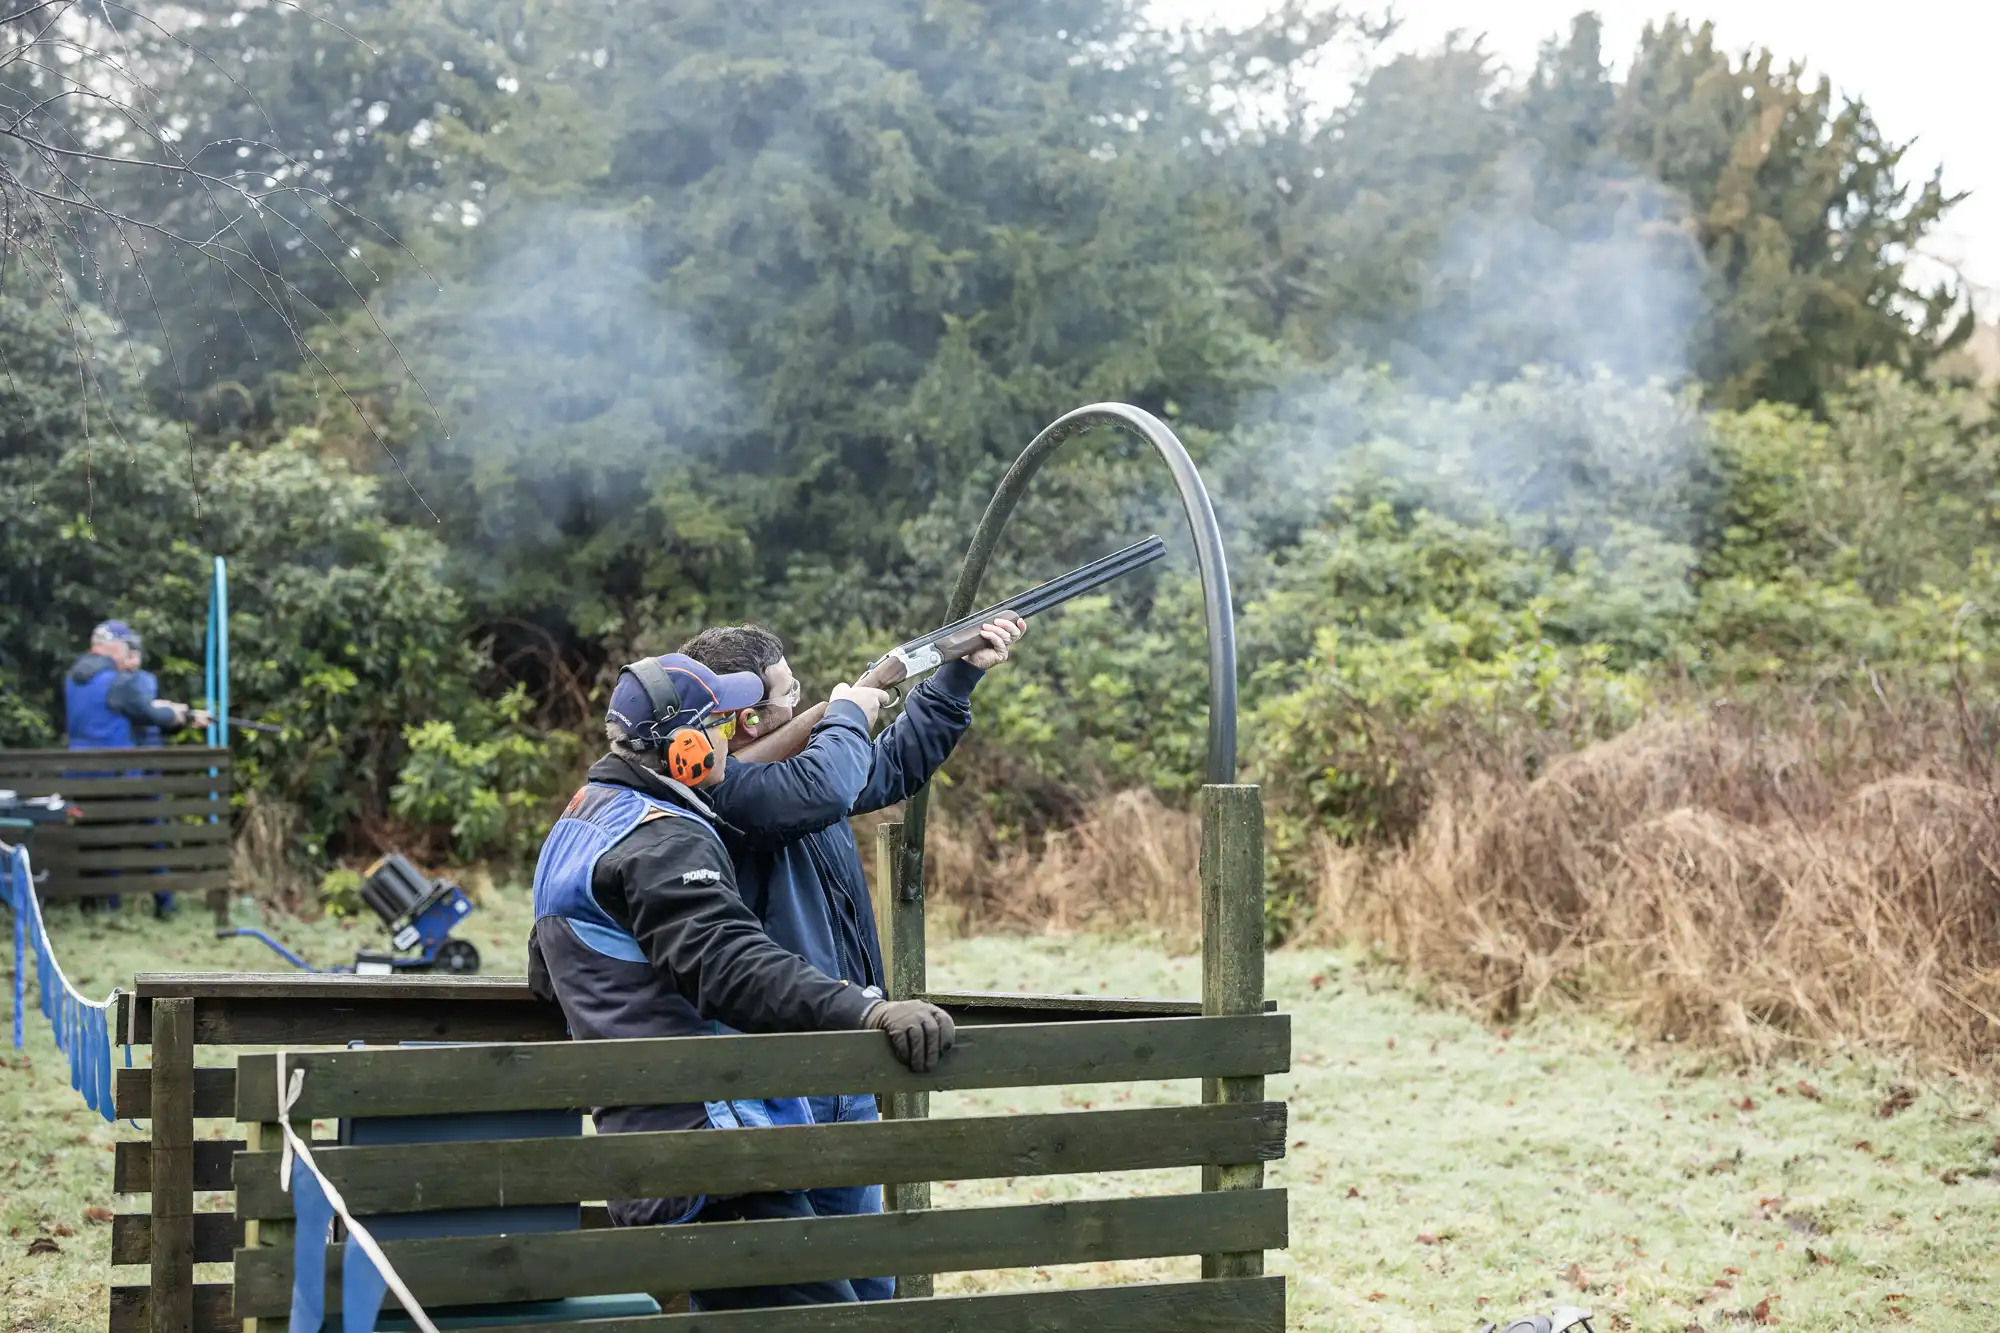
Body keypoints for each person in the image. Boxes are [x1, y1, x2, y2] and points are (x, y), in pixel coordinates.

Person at [527, 651, 959, 1312]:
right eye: (724, 727)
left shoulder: (586, 819)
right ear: (690, 747)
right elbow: (728, 963)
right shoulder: (663, 840)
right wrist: (863, 1009)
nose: (740, 736)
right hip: (713, 1154)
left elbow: (550, 971)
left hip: (676, 1149)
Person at [675, 615, 1023, 1301]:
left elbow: (887, 765)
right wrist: (844, 710)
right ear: (745, 717)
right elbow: (829, 783)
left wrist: (958, 675)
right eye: (787, 692)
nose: (800, 699)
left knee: (869, 1289)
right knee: (802, 1305)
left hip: (843, 1068)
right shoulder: (724, 791)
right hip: (772, 1088)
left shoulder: (808, 772)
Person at [63, 620, 212, 916]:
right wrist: (177, 713)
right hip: (118, 781)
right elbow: (148, 715)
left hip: (79, 781)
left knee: (100, 838)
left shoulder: (72, 679)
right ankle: (165, 905)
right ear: (113, 648)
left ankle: (103, 907)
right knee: (151, 823)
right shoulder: (118, 681)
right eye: (126, 648)